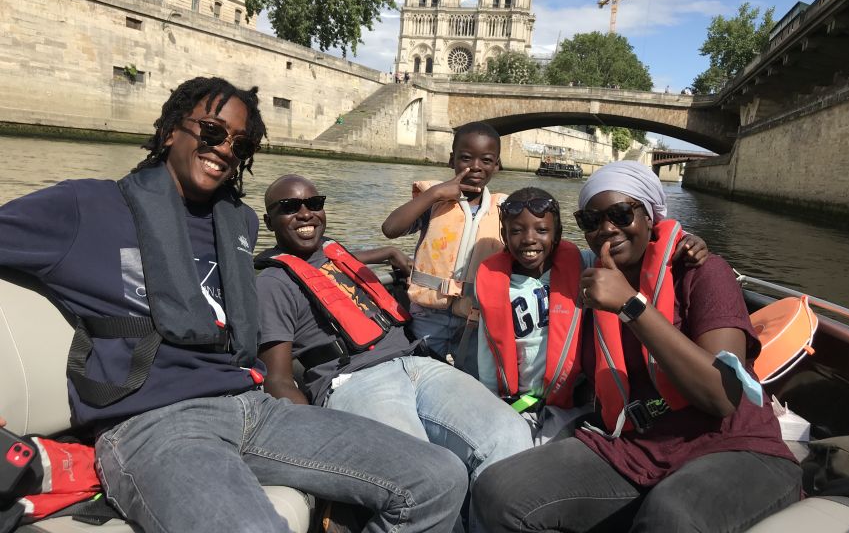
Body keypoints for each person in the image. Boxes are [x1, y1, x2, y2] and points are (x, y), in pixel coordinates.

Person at [0, 77, 468, 533]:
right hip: (152, 424)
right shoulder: (85, 205)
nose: (225, 149)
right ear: (169, 133)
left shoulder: (238, 223)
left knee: (438, 479)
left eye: (240, 145)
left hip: (252, 406)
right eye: (212, 132)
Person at [473, 161, 801, 532]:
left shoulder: (703, 273)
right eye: (591, 220)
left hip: (731, 446)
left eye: (621, 214)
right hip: (632, 446)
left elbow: (722, 397)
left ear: (649, 217)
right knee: (498, 491)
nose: (607, 228)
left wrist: (631, 306)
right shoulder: (589, 284)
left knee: (669, 516)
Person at [255, 174, 532, 532]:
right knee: (427, 475)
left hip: (416, 363)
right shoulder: (273, 285)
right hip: (354, 381)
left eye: (314, 203)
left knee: (509, 433)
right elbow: (277, 378)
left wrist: (388, 253)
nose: (306, 214)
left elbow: (352, 257)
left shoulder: (333, 254)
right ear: (269, 222)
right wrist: (315, 441)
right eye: (290, 208)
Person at [476, 186, 708, 443]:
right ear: (504, 235)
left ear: (557, 234)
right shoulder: (495, 285)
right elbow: (488, 348)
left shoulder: (582, 264)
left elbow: (627, 249)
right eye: (516, 231)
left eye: (542, 230)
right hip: (519, 400)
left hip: (570, 399)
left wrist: (685, 238)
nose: (529, 239)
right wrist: (491, 399)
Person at [381, 121, 504, 375]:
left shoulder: (504, 211)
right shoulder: (434, 202)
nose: (476, 167)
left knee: (469, 382)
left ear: (497, 164)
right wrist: (435, 193)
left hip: (476, 320)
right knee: (421, 374)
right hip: (428, 315)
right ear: (452, 160)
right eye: (466, 158)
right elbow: (391, 228)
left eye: (486, 160)